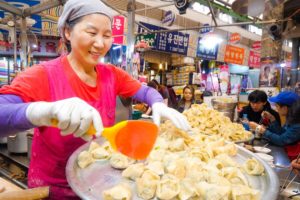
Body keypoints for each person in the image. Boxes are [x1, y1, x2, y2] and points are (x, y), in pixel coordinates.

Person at [0, 0, 190, 198]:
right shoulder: (42, 75)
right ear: (67, 32)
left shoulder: (111, 74)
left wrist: (158, 102)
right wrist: (40, 112)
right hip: (51, 191)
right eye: (91, 33)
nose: (100, 44)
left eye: (107, 36)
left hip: (98, 186)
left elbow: (145, 92)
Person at [249, 92, 300, 160]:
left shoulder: (297, 125)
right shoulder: (292, 119)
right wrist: (272, 119)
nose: (276, 109)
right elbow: (282, 133)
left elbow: (281, 140)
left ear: (285, 108)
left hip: (293, 158)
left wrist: (262, 130)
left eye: (277, 106)